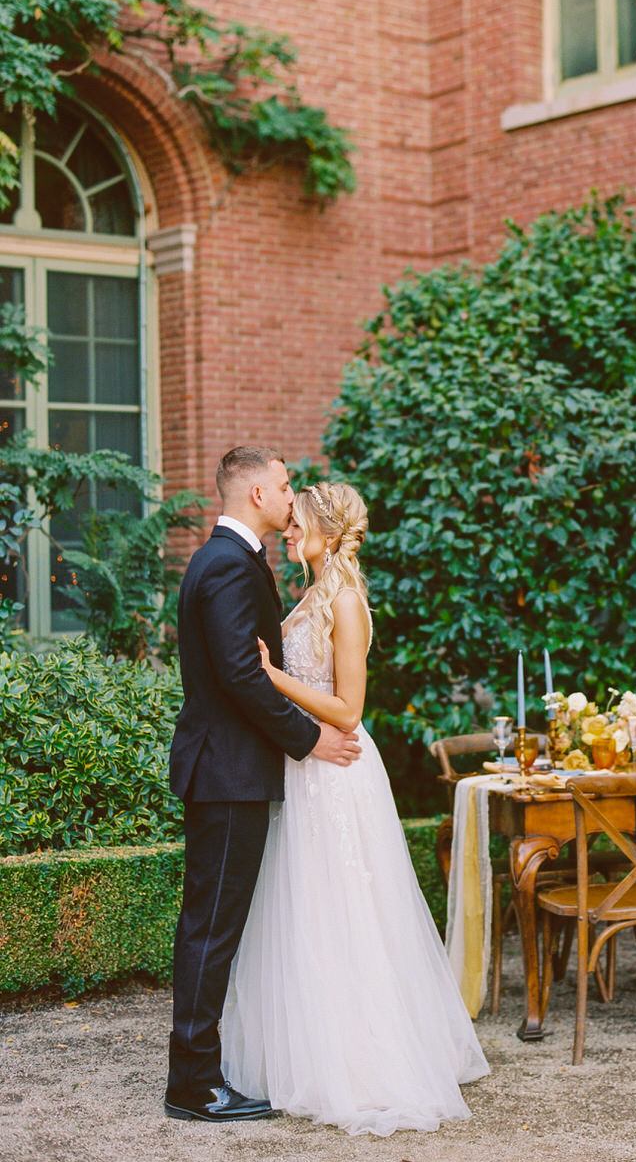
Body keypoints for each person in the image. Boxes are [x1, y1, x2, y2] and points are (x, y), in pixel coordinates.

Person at [220, 480, 489, 1135]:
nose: (290, 530)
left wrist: (272, 675)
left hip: (338, 768)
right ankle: (311, 1047)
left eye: (300, 522)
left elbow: (349, 708)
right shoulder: (310, 593)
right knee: (306, 906)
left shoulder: (345, 599)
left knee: (348, 906)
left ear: (329, 534)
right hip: (306, 763)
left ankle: (366, 1061)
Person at [165, 447, 362, 1123]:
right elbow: (241, 675)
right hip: (225, 775)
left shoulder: (235, 560)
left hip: (232, 772)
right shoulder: (225, 564)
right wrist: (312, 740)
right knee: (210, 929)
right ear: (254, 493)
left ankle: (201, 1069)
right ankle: (193, 1082)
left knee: (214, 927)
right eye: (281, 485)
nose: (289, 496)